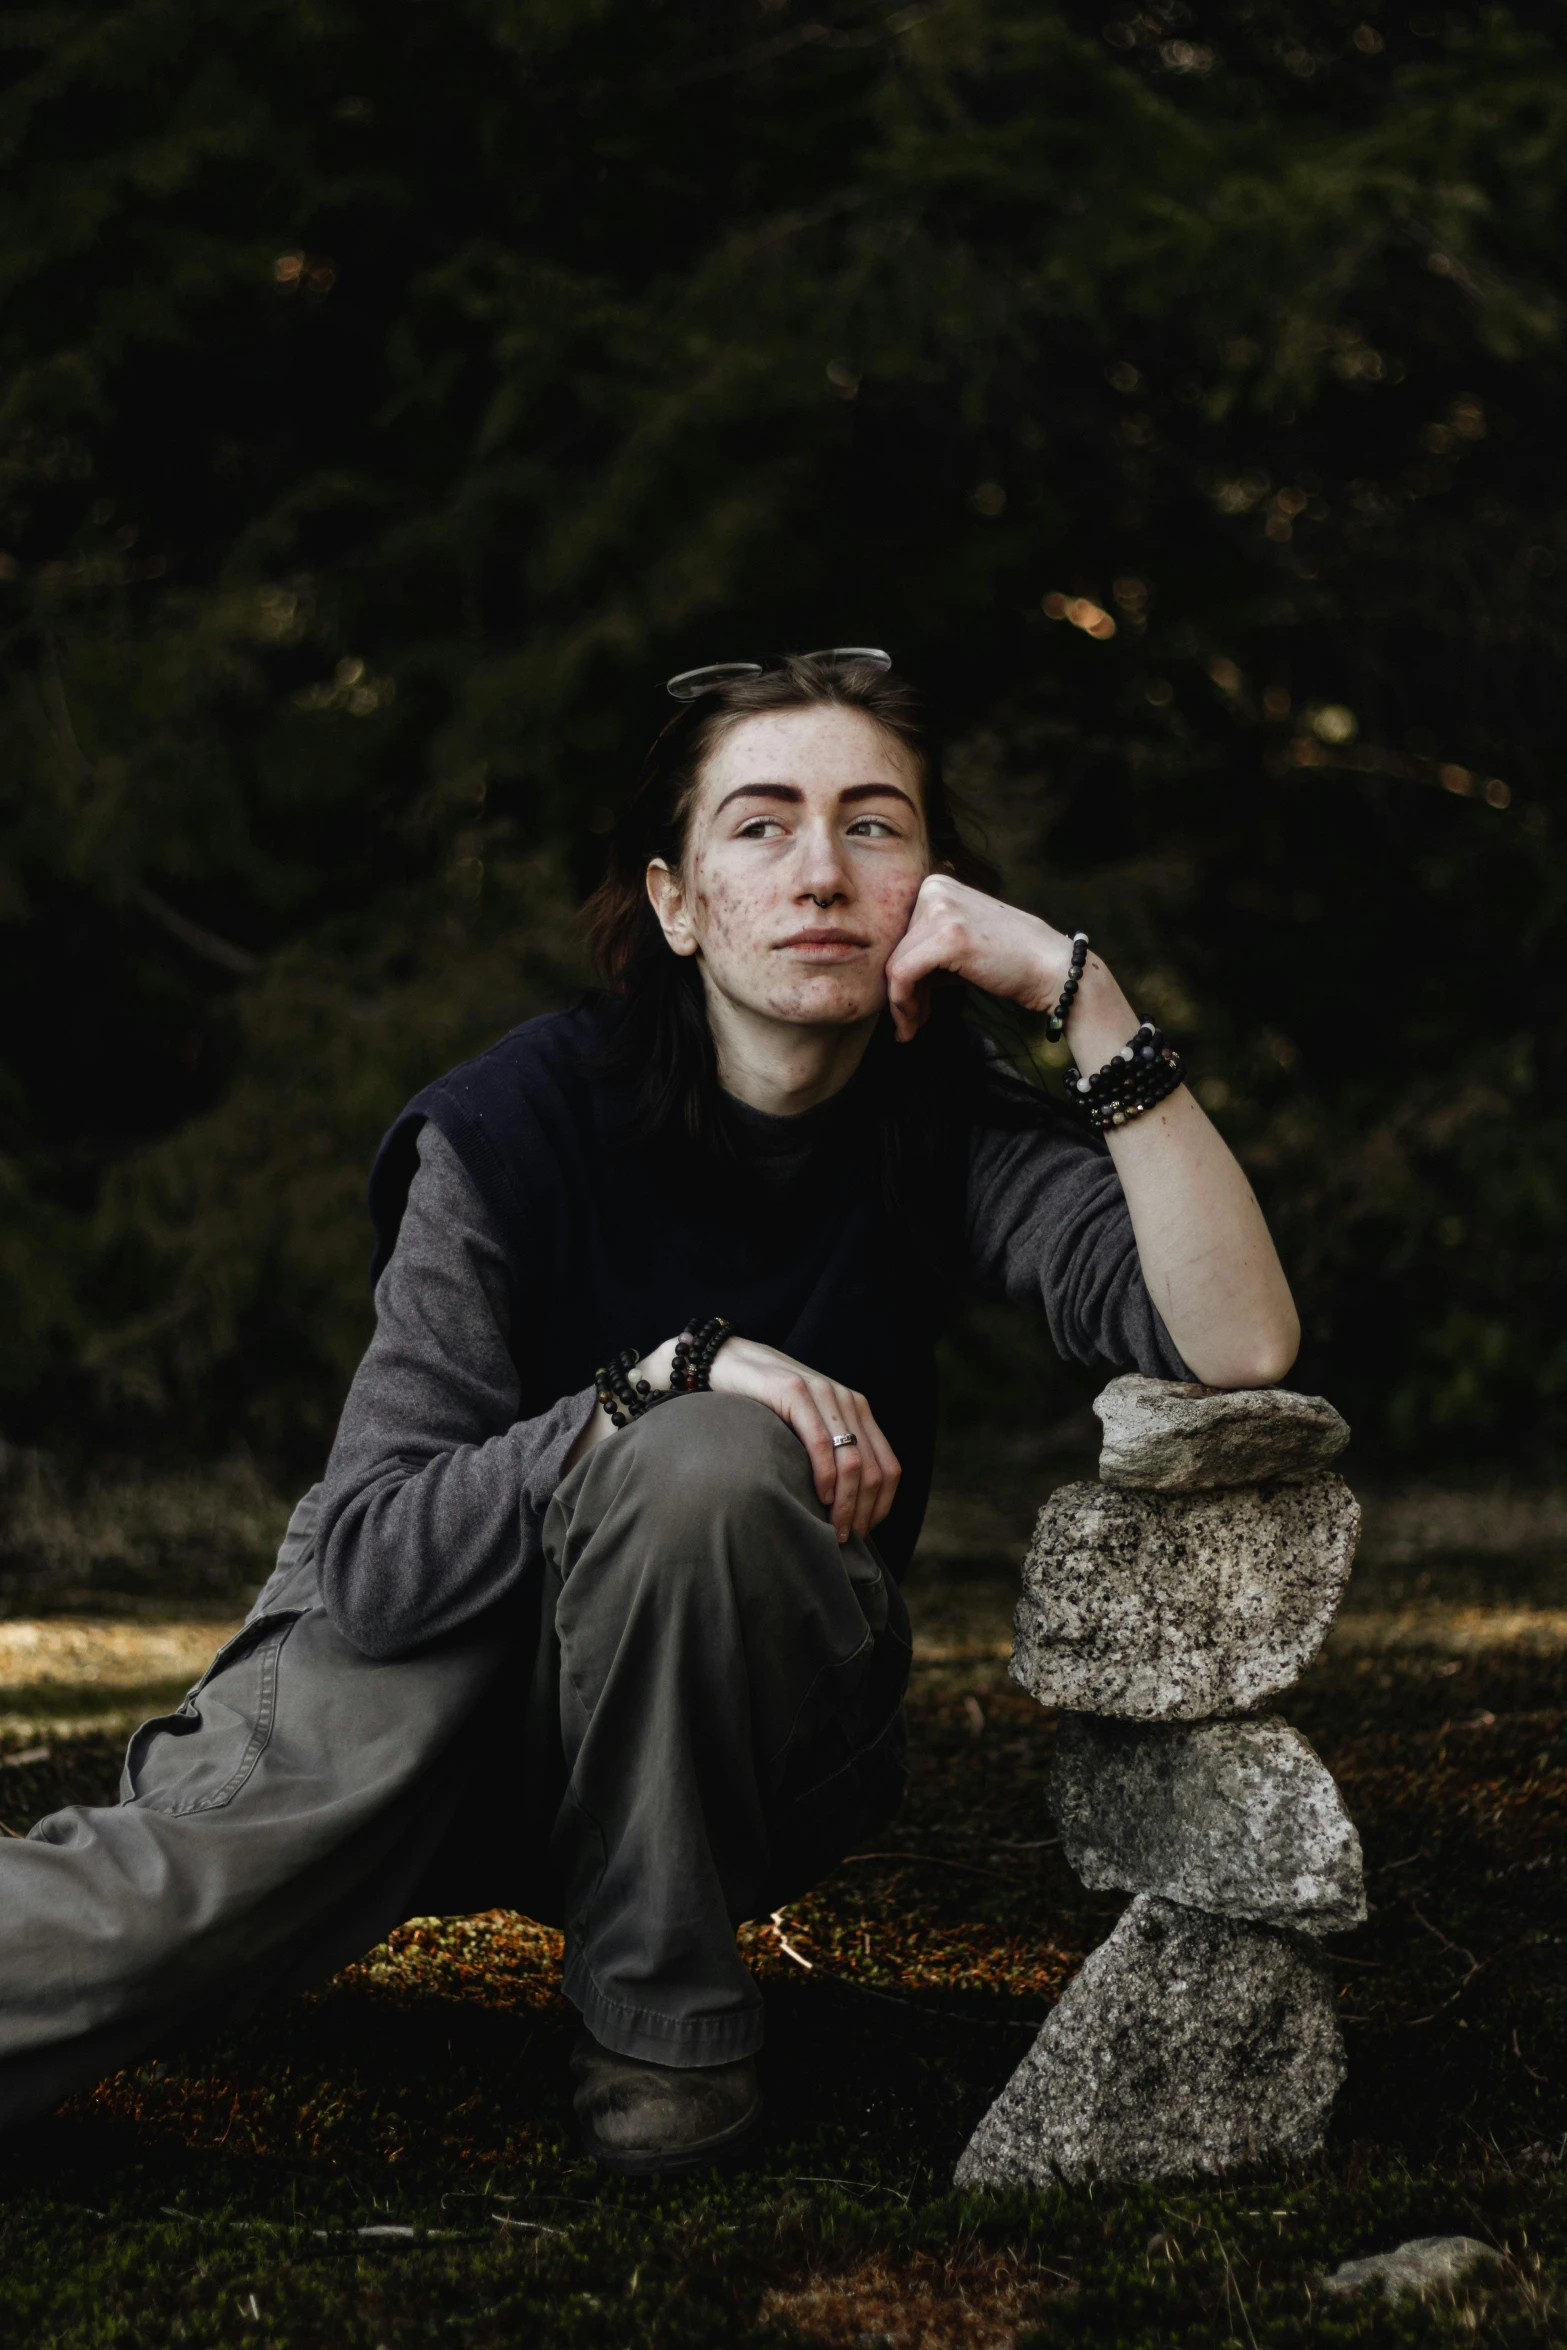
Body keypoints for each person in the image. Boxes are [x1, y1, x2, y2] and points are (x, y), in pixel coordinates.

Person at [0, 652, 1298, 2176]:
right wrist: (650, 1382)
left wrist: (1083, 996)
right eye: (760, 825)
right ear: (675, 901)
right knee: (159, 1912)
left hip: (731, 1725)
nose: (820, 868)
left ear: (930, 889)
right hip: (423, 1661)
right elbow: (373, 1563)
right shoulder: (508, 1125)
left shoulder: (942, 1121)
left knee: (706, 1469)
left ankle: (662, 2033)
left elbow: (1240, 1341)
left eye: (874, 825)